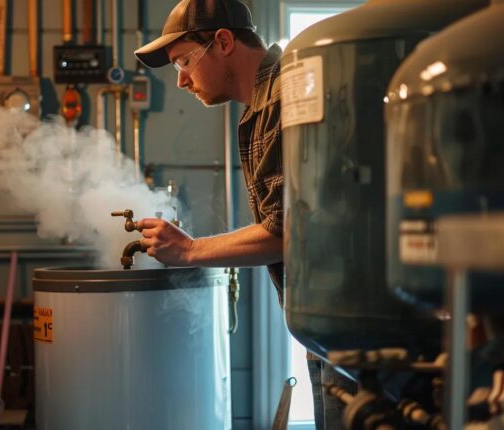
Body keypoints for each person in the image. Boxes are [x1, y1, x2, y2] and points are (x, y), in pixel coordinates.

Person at [133, 1, 356, 429]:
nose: (180, 80)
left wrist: (190, 250)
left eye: (183, 61)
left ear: (223, 41)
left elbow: (290, 232)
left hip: (350, 326)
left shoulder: (287, 94)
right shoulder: (263, 104)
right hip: (327, 325)